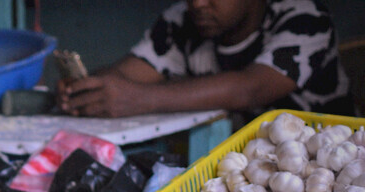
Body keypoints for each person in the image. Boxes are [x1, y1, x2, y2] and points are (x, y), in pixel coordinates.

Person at [57, 0, 355, 119]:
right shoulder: (183, 22)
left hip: (326, 172)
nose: (198, 3)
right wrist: (88, 90)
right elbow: (128, 75)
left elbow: (250, 88)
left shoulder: (304, 18)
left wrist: (140, 99)